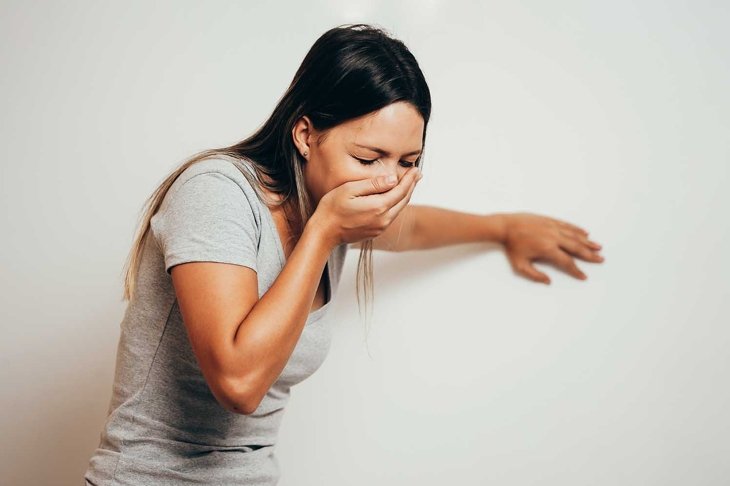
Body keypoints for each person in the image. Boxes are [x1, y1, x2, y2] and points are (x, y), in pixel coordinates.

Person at [83, 23, 604, 486]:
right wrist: (325, 233)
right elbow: (238, 382)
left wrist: (503, 228)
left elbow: (413, 226)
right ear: (306, 134)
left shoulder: (330, 205)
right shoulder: (218, 192)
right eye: (368, 157)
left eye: (408, 161)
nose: (388, 181)